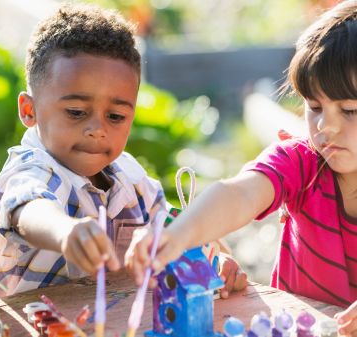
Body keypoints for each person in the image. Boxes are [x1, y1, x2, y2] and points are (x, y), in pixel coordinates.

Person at [125, 1, 357, 335]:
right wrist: (177, 236)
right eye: (314, 106)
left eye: (349, 110)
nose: (326, 126)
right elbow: (239, 193)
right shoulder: (302, 162)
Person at [0, 3, 244, 296]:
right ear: (29, 110)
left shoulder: (130, 179)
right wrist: (64, 232)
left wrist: (214, 262)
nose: (97, 129)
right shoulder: (31, 169)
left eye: (115, 117)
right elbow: (28, 207)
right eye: (75, 111)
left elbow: (170, 230)